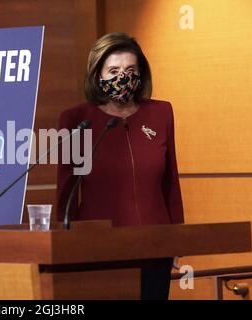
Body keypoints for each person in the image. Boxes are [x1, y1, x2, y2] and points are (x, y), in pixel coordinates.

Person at [56, 32, 184, 300]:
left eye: (130, 69)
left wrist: (177, 238)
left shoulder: (161, 113)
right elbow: (66, 192)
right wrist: (65, 246)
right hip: (99, 249)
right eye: (113, 70)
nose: (122, 77)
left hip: (155, 246)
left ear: (141, 73)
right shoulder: (75, 119)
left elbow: (170, 182)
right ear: (98, 76)